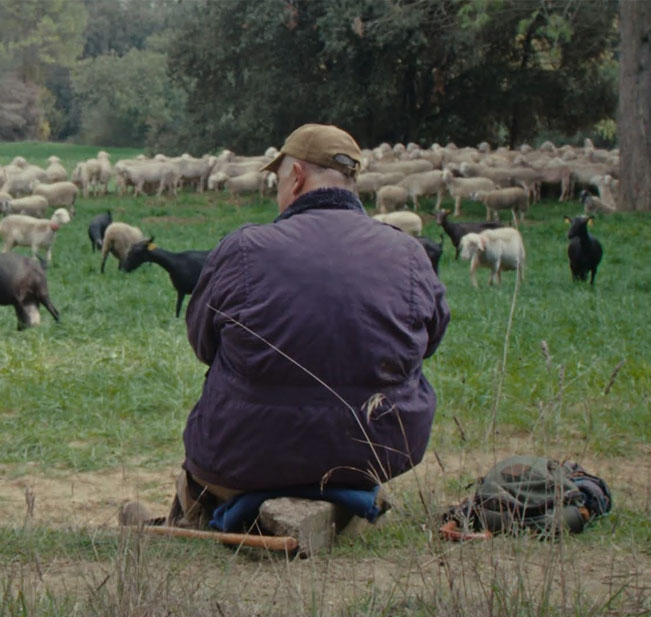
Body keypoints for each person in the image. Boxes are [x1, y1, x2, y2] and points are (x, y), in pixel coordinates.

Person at [156, 123, 450, 530]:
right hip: (377, 449)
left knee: (211, 468)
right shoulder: (409, 253)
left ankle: (196, 512)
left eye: (278, 179)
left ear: (295, 177)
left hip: (248, 452)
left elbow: (202, 343)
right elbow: (430, 341)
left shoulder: (244, 248)